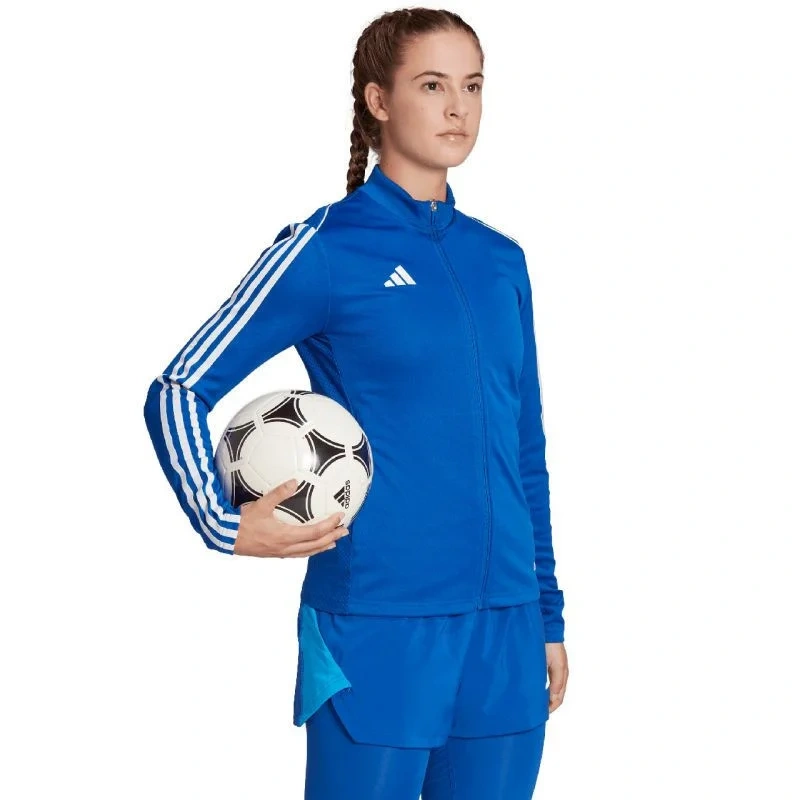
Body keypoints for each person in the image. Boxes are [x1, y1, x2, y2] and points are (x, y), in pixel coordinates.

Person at [143, 7, 569, 799]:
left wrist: (546, 613)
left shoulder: (500, 260)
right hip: (377, 623)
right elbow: (176, 388)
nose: (459, 108)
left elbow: (525, 450)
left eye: (473, 86)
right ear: (378, 100)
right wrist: (221, 520)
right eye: (432, 85)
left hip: (506, 631)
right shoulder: (326, 250)